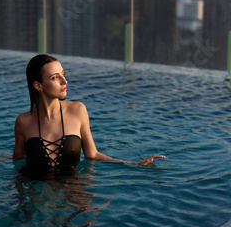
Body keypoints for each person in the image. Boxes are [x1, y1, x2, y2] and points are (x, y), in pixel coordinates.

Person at [14, 54, 165, 178]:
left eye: (63, 74)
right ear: (38, 85)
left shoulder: (78, 110)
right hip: (33, 186)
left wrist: (133, 164)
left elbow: (92, 154)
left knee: (88, 212)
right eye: (55, 77)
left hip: (72, 186)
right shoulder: (23, 121)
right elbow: (17, 159)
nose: (64, 81)